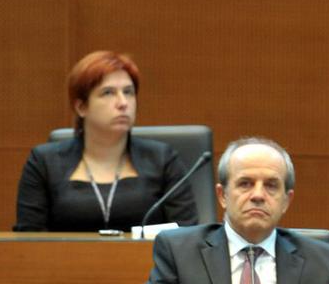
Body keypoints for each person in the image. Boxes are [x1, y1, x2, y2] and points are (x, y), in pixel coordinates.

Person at [130, 137, 329, 284]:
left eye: (271, 185)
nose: (258, 195)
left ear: (286, 201)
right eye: (245, 183)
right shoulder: (179, 253)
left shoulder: (324, 264)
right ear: (222, 195)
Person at [14, 51, 198, 231]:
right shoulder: (44, 162)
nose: (123, 103)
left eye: (128, 92)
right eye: (108, 93)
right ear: (81, 107)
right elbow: (28, 238)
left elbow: (187, 234)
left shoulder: (162, 159)